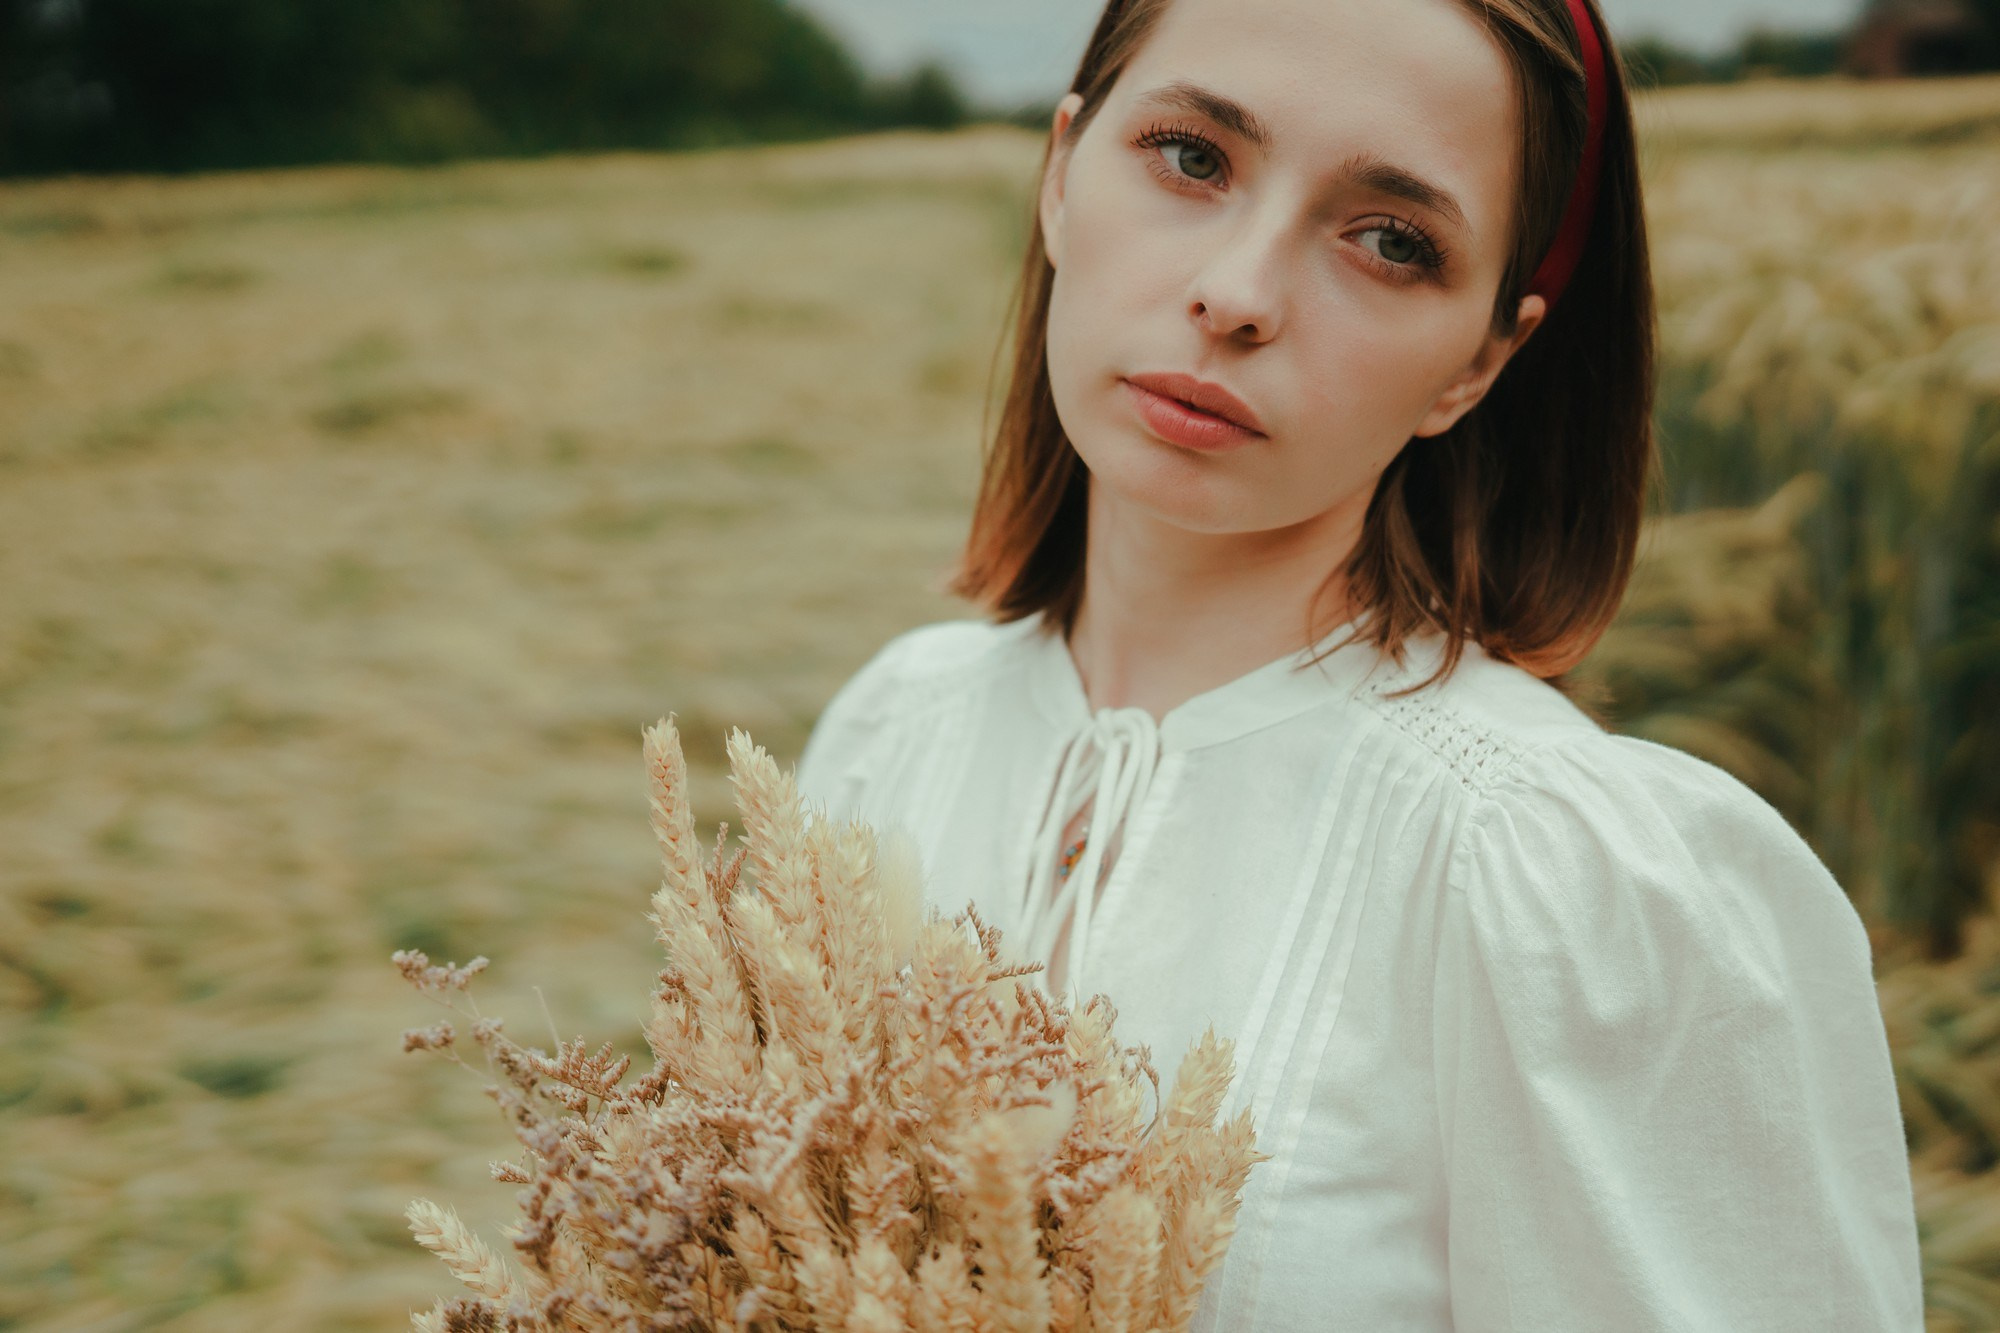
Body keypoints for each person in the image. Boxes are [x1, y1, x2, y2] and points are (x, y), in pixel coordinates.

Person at [793, 0, 1925, 1326]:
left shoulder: (1556, 881)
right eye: (1193, 157)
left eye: (1392, 242)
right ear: (1059, 175)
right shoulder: (889, 735)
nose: (1238, 294)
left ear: (1480, 361)